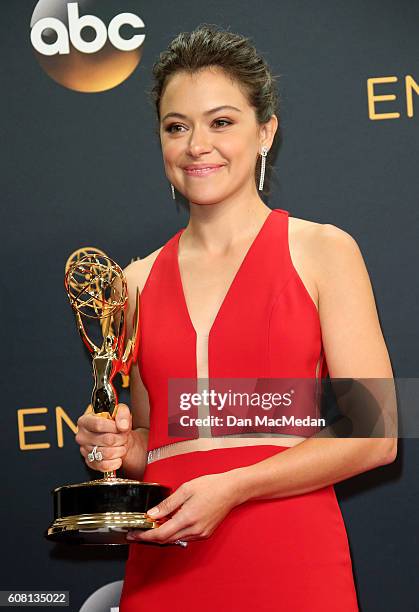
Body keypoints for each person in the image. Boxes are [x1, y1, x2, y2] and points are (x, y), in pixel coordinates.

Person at [75, 24, 397, 611]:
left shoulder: (324, 250)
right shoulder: (134, 283)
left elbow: (375, 436)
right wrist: (112, 446)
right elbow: (164, 445)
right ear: (161, 141)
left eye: (221, 121)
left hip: (292, 563)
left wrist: (237, 486)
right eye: (178, 127)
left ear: (265, 131)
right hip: (167, 567)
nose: (199, 144)